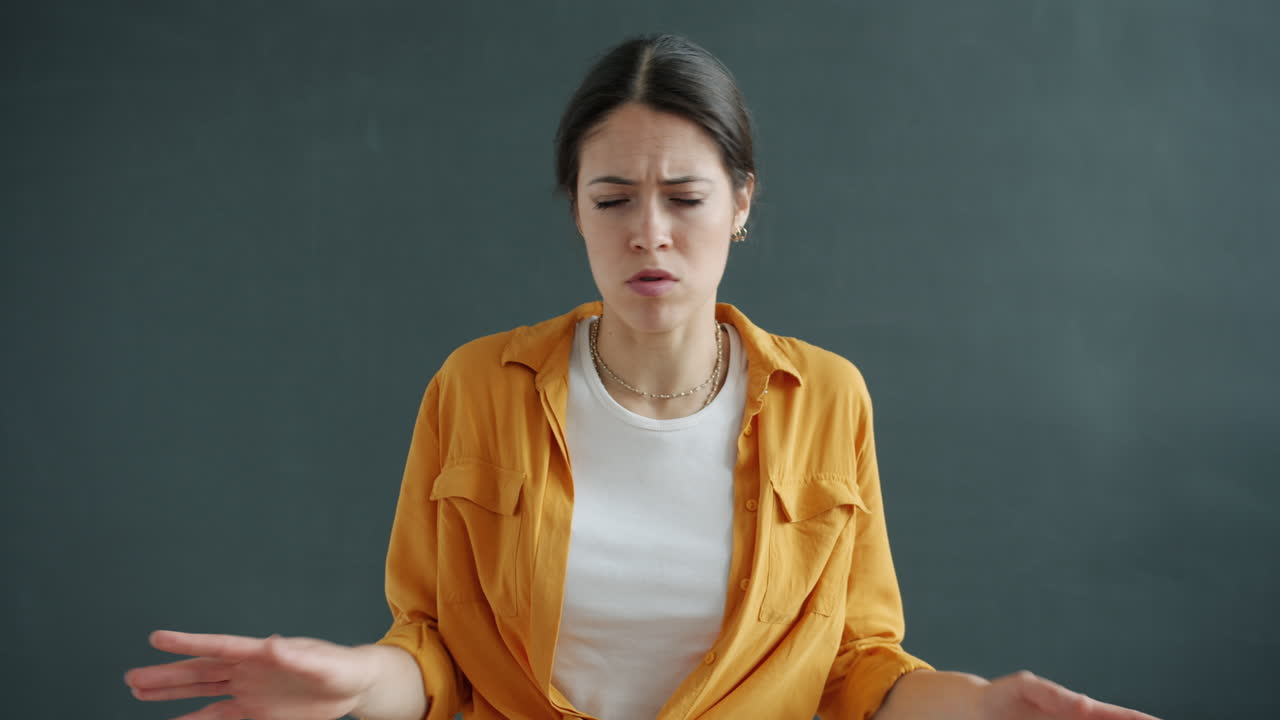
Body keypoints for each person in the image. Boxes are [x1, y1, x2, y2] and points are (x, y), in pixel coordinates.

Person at [124, 33, 1161, 720]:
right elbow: (434, 657)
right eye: (612, 197)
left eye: (686, 196)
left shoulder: (827, 397)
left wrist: (975, 705)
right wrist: (355, 685)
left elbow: (854, 671)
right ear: (573, 207)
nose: (648, 233)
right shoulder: (477, 386)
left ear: (741, 203)